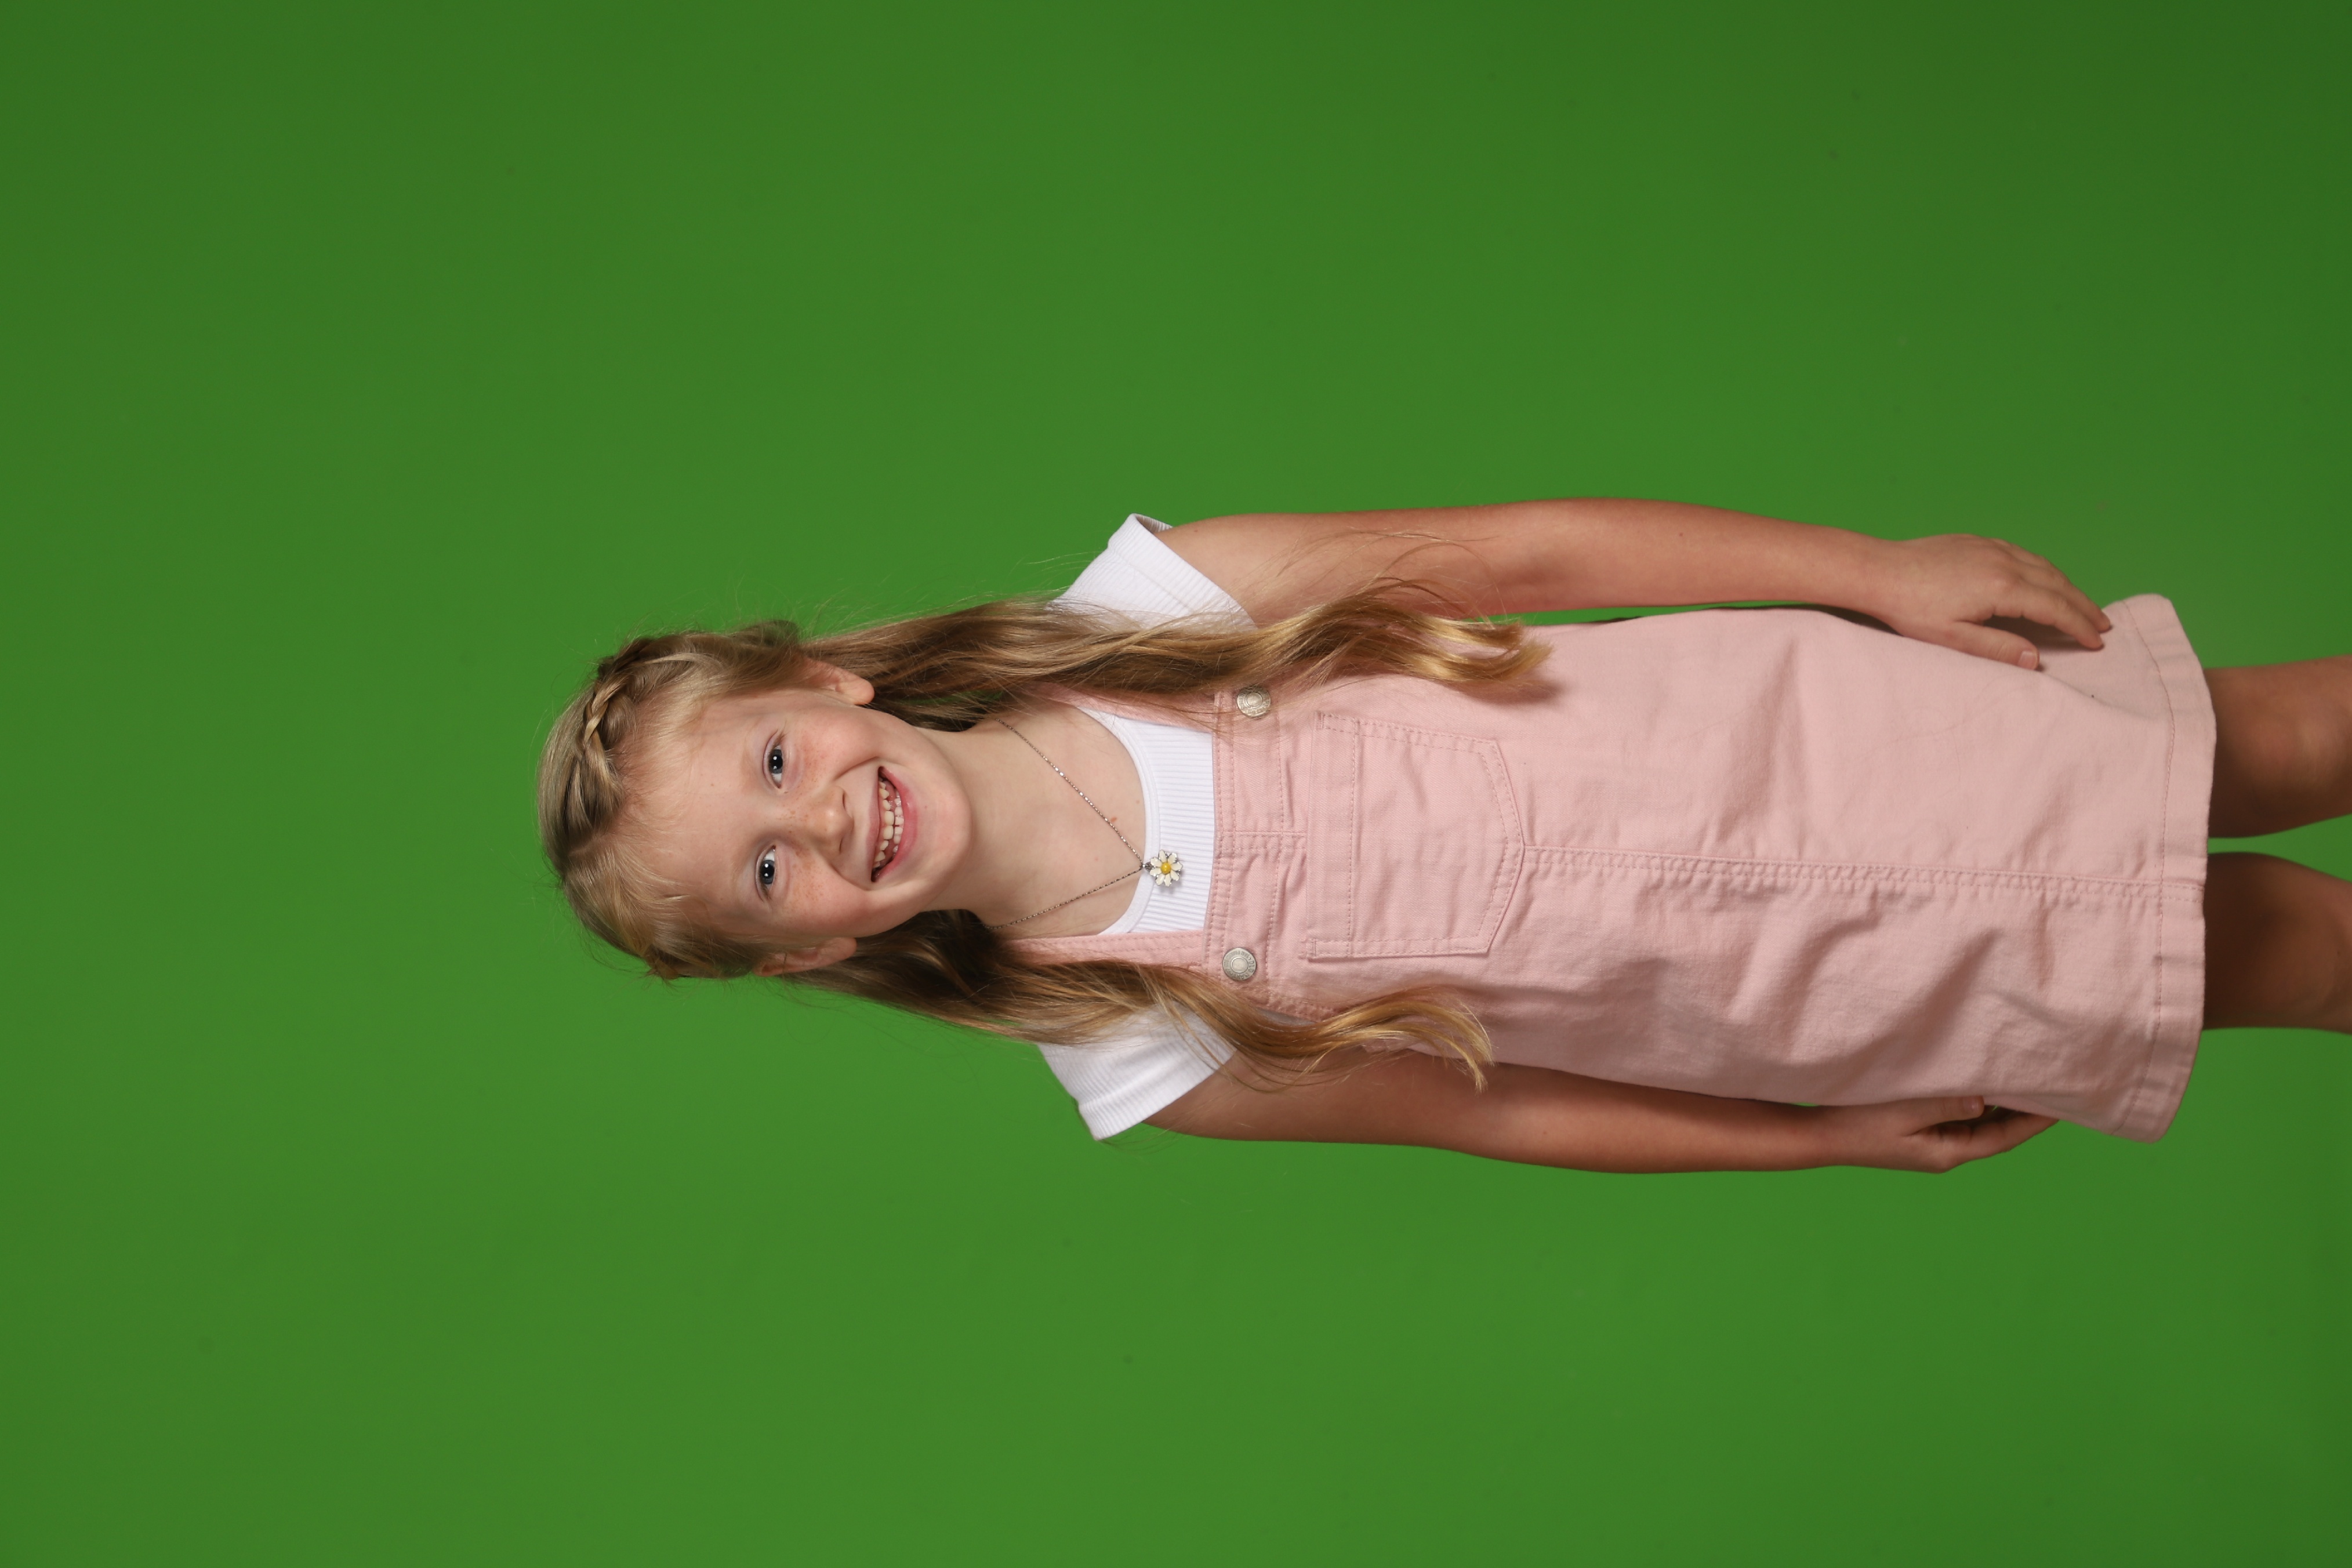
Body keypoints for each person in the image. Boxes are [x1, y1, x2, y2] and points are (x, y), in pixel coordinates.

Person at [536, 500, 2352, 1174]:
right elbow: (1509, 1113)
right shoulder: (1138, 1045)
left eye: (775, 758)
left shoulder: (1161, 610)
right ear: (817, 947)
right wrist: (1817, 1142)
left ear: (827, 681)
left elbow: (1529, 555)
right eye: (766, 874)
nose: (817, 821)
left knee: (2275, 738)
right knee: (2291, 956)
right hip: (1822, 981)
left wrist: (1869, 573)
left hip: (1813, 734)